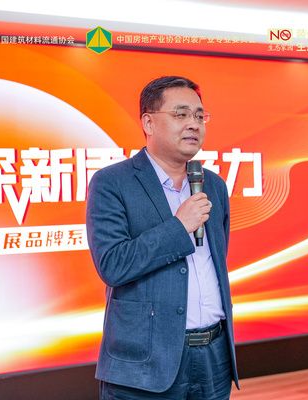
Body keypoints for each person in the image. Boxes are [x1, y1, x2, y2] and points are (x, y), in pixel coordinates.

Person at [86, 76, 238, 399]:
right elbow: (113, 264)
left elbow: (217, 261)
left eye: (199, 116)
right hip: (145, 363)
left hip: (214, 357)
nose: (193, 124)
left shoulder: (213, 185)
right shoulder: (112, 183)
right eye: (181, 114)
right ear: (149, 123)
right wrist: (179, 227)